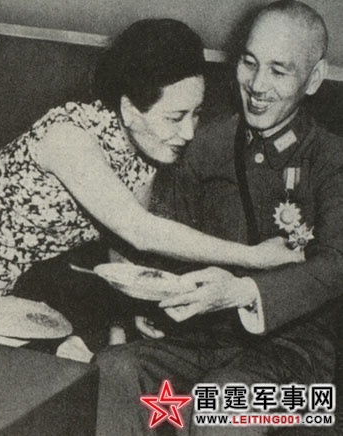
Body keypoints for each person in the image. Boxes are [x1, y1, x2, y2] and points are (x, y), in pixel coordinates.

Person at [0, 19, 300, 300]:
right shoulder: (69, 135)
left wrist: (136, 316)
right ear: (128, 109)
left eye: (196, 113)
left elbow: (126, 249)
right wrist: (253, 257)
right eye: (176, 116)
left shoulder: (147, 156)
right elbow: (140, 230)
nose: (189, 132)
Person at [95, 1, 343, 435]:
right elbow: (169, 239)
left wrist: (241, 292)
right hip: (205, 340)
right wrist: (150, 300)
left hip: (301, 362)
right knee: (113, 370)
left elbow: (336, 263)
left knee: (222, 405)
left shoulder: (330, 159)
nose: (257, 85)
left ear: (314, 77)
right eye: (250, 62)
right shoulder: (204, 143)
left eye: (279, 70)